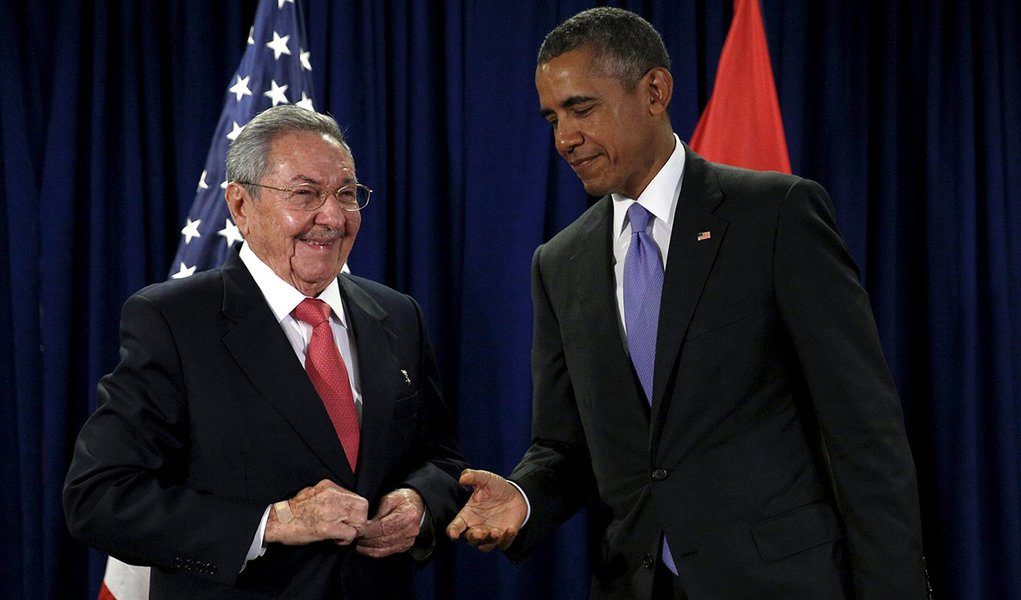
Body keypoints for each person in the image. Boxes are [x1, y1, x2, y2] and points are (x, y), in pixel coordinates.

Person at [447, 7, 928, 599]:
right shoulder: (559, 263)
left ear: (654, 90)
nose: (564, 138)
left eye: (581, 108)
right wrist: (523, 497)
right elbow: (565, 444)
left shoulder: (775, 217)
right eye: (552, 118)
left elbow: (863, 430)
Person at [64, 105, 468, 599]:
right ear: (240, 206)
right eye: (305, 194)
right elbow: (99, 498)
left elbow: (442, 458)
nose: (333, 217)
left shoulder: (398, 314)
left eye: (346, 194)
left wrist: (420, 501)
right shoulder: (173, 321)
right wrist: (273, 522)